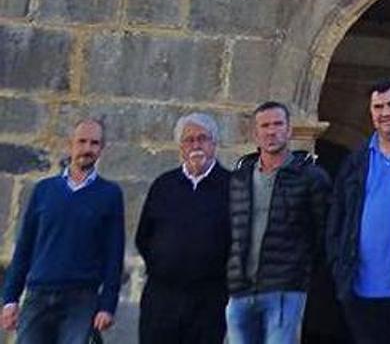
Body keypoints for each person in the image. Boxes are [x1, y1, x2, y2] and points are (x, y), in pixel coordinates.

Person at [1, 118, 124, 344]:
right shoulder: (44, 190)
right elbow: (25, 247)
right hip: (38, 295)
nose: (87, 149)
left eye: (94, 143)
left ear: (102, 149)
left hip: (81, 299)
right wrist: (10, 299)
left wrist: (107, 305)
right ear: (71, 144)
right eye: (82, 141)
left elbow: (113, 255)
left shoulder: (110, 195)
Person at [327, 80, 390, 344]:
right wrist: (338, 264)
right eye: (378, 106)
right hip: (358, 287)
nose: (385, 112)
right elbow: (337, 217)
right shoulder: (356, 159)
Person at [225, 102, 332, 344]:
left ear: (289, 130)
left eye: (277, 124)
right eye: (264, 126)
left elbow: (323, 233)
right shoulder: (239, 179)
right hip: (241, 290)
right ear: (255, 133)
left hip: (285, 289)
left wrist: (301, 274)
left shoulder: (311, 178)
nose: (271, 131)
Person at [135, 113, 231, 344]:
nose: (196, 145)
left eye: (203, 138)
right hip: (161, 297)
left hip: (208, 299)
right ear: (180, 146)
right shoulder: (164, 185)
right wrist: (163, 266)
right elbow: (144, 236)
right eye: (189, 140)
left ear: (214, 144)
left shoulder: (233, 186)